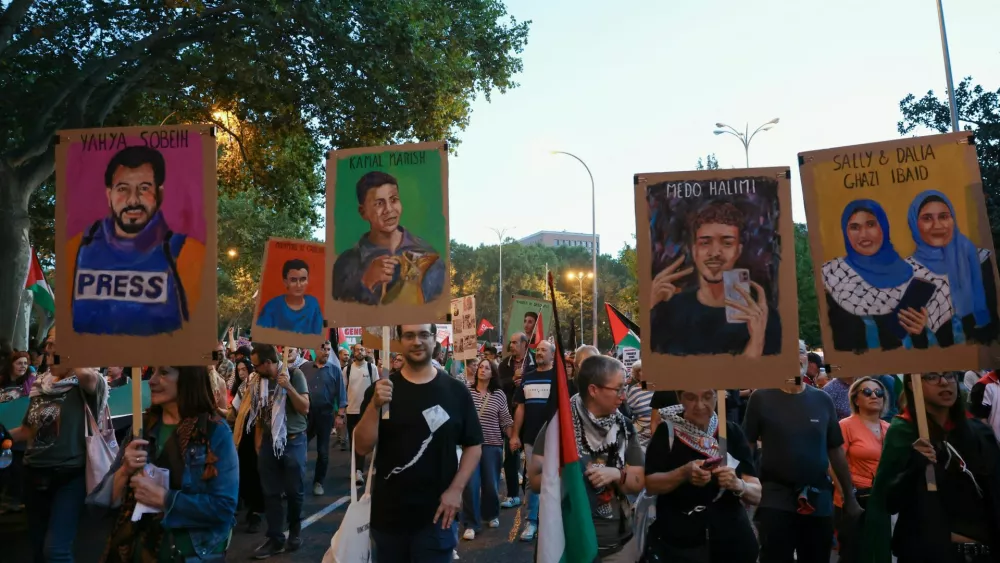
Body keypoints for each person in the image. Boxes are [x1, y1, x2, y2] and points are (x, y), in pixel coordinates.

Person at [355, 324, 483, 563]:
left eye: (424, 335)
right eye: (410, 335)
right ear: (399, 341)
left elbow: (474, 445)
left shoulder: (456, 392)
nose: (417, 341)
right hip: (388, 520)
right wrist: (374, 405)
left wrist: (456, 491)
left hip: (437, 518)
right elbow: (361, 447)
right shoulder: (380, 391)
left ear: (435, 340)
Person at [87, 366, 238, 562]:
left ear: (188, 378)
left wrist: (165, 499)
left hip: (190, 554)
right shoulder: (142, 428)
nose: (152, 380)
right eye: (154, 371)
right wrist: (124, 471)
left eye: (164, 373)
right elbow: (99, 503)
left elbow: (223, 508)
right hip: (136, 550)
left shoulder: (215, 433)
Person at [863, 372, 1000, 563]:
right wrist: (914, 466)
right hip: (928, 553)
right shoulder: (904, 431)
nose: (944, 382)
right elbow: (888, 500)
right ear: (913, 384)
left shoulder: (978, 431)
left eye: (949, 375)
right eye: (932, 376)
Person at [68, 145, 204, 336]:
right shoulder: (78, 248)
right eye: (123, 189)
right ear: (109, 195)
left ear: (160, 194)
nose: (132, 200)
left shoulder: (187, 251)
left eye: (144, 189)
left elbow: (193, 332)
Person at [528, 355, 645, 562]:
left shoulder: (624, 427)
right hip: (569, 542)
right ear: (593, 390)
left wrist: (617, 474)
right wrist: (565, 472)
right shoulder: (558, 429)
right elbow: (535, 482)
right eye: (618, 389)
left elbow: (638, 481)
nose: (624, 396)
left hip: (617, 545)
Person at [7, 329, 108, 562]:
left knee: (55, 551)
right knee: (38, 547)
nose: (49, 354)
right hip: (33, 474)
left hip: (69, 477)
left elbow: (87, 375)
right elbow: (29, 429)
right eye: (48, 349)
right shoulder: (41, 385)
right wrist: (6, 436)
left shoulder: (87, 384)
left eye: (55, 350)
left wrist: (68, 339)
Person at [743, 376, 862, 563]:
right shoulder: (761, 398)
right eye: (791, 352)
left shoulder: (822, 399)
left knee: (817, 556)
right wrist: (744, 486)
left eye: (801, 352)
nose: (797, 358)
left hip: (817, 496)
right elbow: (747, 446)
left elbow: (835, 449)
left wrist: (849, 496)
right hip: (775, 495)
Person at [650, 201, 781, 357]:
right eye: (705, 242)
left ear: (738, 251)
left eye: (727, 243)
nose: (715, 253)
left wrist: (758, 338)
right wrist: (651, 307)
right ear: (694, 250)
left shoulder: (764, 317)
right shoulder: (669, 312)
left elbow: (764, 377)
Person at [644, 389, 761, 562]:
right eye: (691, 397)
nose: (699, 405)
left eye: (707, 396)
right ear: (679, 397)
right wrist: (683, 473)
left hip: (731, 537)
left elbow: (757, 493)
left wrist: (738, 484)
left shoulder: (731, 432)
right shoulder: (666, 432)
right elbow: (651, 484)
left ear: (718, 396)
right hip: (680, 540)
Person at [822, 199, 934, 352]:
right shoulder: (833, 275)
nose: (863, 234)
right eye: (854, 227)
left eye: (870, 224)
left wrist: (921, 329)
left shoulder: (913, 275)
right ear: (845, 232)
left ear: (883, 227)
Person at [331, 171, 445, 305]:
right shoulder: (346, 264)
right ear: (363, 212)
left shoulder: (429, 258)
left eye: (394, 200)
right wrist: (366, 282)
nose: (389, 209)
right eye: (379, 203)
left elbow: (434, 310)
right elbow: (341, 311)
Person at [906, 190, 999, 347]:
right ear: (915, 224)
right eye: (927, 218)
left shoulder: (977, 259)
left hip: (979, 351)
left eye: (943, 216)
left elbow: (991, 313)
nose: (937, 225)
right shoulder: (908, 269)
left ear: (953, 219)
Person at [247, 343, 311, 558]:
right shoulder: (258, 382)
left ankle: (294, 532)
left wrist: (289, 388)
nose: (253, 368)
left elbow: (305, 408)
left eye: (256, 364)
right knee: (271, 493)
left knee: (294, 492)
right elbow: (259, 414)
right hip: (268, 443)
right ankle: (275, 539)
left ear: (267, 363)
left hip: (293, 442)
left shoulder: (294, 374)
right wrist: (258, 441)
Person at [833, 376, 890, 563]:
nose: (874, 395)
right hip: (854, 499)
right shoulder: (845, 425)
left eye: (879, 392)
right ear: (856, 399)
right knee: (854, 553)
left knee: (879, 552)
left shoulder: (890, 428)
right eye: (867, 392)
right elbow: (832, 463)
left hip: (882, 499)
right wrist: (847, 496)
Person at [461, 359, 514, 540]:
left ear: (493, 373)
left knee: (490, 484)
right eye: (481, 367)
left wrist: (514, 436)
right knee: (470, 485)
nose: (483, 370)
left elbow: (505, 419)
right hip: (471, 446)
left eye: (487, 368)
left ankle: (491, 514)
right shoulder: (466, 391)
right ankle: (471, 523)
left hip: (492, 445)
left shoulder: (498, 394)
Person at [511, 340, 557, 541]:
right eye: (537, 349)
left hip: (555, 439)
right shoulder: (527, 379)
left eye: (543, 350)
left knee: (556, 479)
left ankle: (554, 523)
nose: (539, 352)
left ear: (552, 355)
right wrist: (514, 435)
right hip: (531, 439)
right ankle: (531, 521)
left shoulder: (558, 379)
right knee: (532, 481)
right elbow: (520, 408)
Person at [300, 340, 346, 496]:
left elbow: (342, 396)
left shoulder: (335, 371)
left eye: (328, 349)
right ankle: (296, 481)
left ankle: (318, 482)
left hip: (325, 416)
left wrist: (340, 415)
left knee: (323, 452)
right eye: (323, 348)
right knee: (299, 449)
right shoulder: (304, 368)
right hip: (306, 415)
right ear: (315, 350)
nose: (326, 352)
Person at [229, 357, 266, 533]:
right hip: (244, 437)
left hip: (260, 436)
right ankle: (252, 508)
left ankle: (257, 512)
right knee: (246, 474)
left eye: (246, 368)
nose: (242, 373)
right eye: (239, 370)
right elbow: (234, 412)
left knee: (259, 474)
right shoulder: (243, 387)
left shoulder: (265, 383)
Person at [499, 333, 533, 510]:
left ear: (524, 344)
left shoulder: (534, 362)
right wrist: (512, 380)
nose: (511, 345)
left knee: (530, 457)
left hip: (531, 416)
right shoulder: (504, 364)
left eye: (514, 342)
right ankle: (512, 495)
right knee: (511, 457)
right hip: (510, 416)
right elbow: (497, 385)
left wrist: (525, 382)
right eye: (510, 342)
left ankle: (529, 493)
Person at [256, 259, 324, 335]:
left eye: (302, 279)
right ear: (285, 282)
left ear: (307, 280)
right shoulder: (271, 307)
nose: (298, 285)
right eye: (293, 280)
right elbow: (261, 335)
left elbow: (318, 335)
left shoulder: (313, 304)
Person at [344, 343, 378, 485]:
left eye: (362, 349)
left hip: (367, 411)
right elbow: (343, 390)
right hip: (351, 410)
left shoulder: (372, 368)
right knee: (353, 441)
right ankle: (356, 469)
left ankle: (359, 470)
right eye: (357, 350)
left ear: (366, 352)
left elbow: (376, 387)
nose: (359, 352)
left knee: (365, 440)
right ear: (353, 352)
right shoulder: (347, 369)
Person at [624, 360, 656, 449]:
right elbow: (628, 412)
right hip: (642, 435)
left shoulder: (655, 386)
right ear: (637, 375)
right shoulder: (634, 391)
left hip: (658, 432)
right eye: (642, 370)